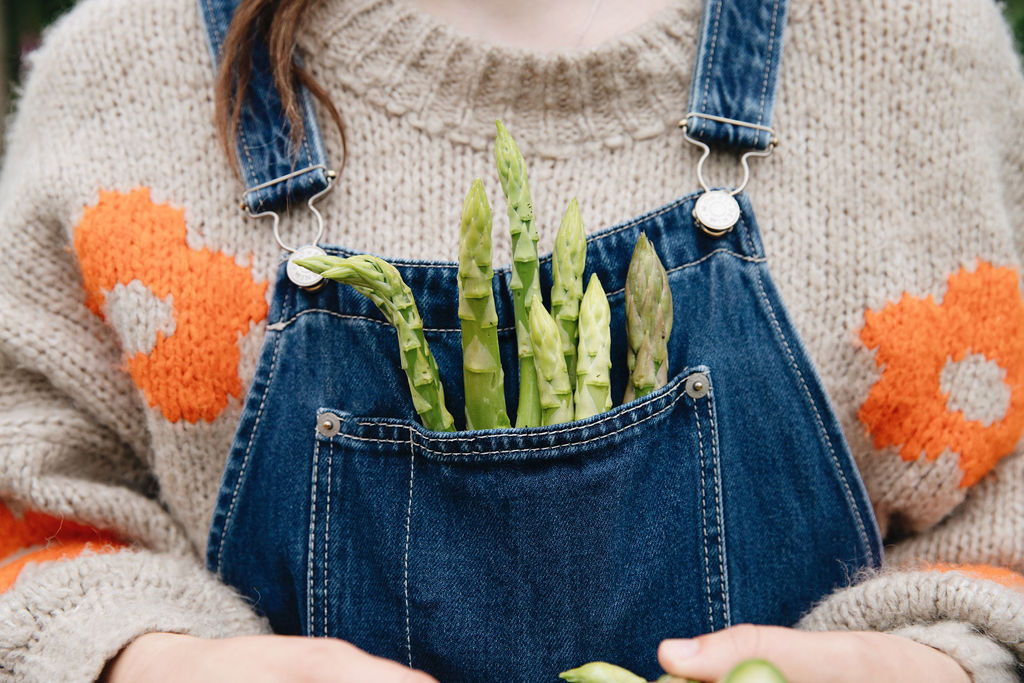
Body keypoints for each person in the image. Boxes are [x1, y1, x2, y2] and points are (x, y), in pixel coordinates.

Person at [0, 0, 1022, 680]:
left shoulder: (918, 49)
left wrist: (941, 657)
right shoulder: (126, 69)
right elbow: (28, 525)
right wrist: (154, 656)